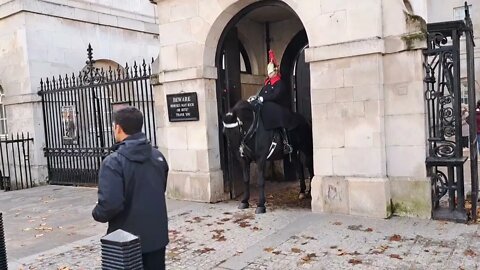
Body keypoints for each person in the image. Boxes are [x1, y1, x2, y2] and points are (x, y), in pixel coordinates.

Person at [92, 106, 169, 270]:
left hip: (125, 242)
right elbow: (160, 188)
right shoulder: (157, 156)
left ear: (118, 128)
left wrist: (97, 212)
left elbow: (110, 204)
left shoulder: (113, 162)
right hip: (156, 237)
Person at [248, 50, 298, 154]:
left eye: (271, 73)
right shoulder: (267, 83)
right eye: (268, 73)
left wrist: (263, 99)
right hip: (268, 106)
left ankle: (285, 142)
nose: (269, 75)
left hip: (280, 107)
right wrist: (256, 98)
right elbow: (262, 93)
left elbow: (275, 95)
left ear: (275, 71)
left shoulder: (279, 83)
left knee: (270, 109)